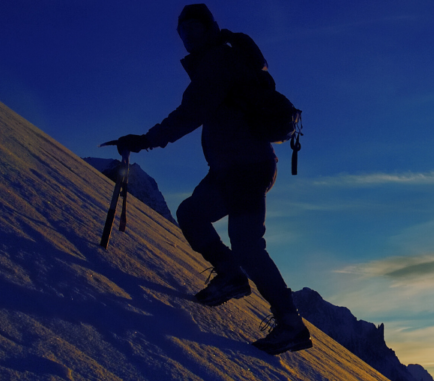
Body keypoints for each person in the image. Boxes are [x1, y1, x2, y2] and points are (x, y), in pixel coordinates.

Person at [112, 4, 311, 356]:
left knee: (247, 244)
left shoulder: (217, 60)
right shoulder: (222, 58)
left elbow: (191, 112)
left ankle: (290, 324)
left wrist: (145, 140)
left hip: (247, 166)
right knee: (191, 214)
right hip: (230, 166)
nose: (188, 37)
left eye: (193, 28)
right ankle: (231, 276)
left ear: (210, 28)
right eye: (182, 31)